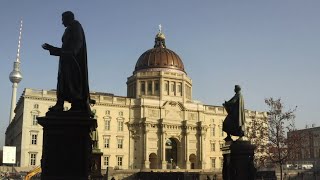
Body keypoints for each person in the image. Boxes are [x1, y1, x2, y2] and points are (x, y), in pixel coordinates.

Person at [42, 11, 92, 114]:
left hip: (72, 61)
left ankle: (75, 105)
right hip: (66, 59)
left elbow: (77, 44)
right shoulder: (70, 28)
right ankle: (60, 104)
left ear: (68, 18)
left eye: (63, 19)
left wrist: (70, 51)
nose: (62, 22)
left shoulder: (76, 26)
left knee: (71, 82)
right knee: (63, 82)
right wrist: (53, 49)